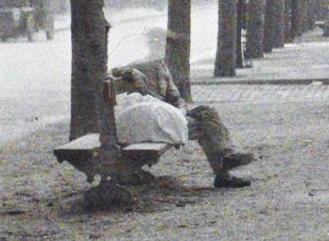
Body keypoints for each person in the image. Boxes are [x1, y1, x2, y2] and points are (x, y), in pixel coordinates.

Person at [109, 58, 257, 188]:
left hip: (169, 116)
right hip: (152, 121)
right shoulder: (136, 70)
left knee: (207, 112)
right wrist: (129, 72)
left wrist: (181, 109)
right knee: (206, 126)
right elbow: (115, 73)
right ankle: (224, 171)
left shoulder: (162, 69)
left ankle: (227, 156)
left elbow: (176, 97)